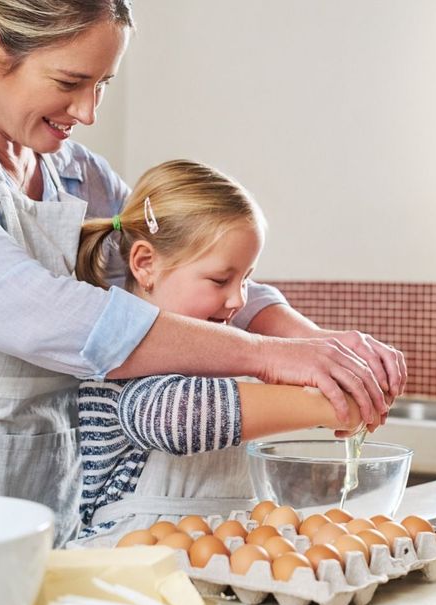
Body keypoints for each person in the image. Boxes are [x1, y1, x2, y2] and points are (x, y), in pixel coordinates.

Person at [0, 0, 405, 546]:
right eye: (71, 81)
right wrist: (269, 357)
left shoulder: (74, 172)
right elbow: (35, 313)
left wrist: (313, 342)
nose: (86, 111)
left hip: (35, 505)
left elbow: (180, 260)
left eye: (103, 84)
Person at [71, 159, 364, 541]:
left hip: (209, 556)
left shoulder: (215, 352)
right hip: (125, 564)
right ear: (145, 265)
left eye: (246, 279)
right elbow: (175, 416)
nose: (237, 300)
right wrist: (329, 405)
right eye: (220, 280)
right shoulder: (119, 355)